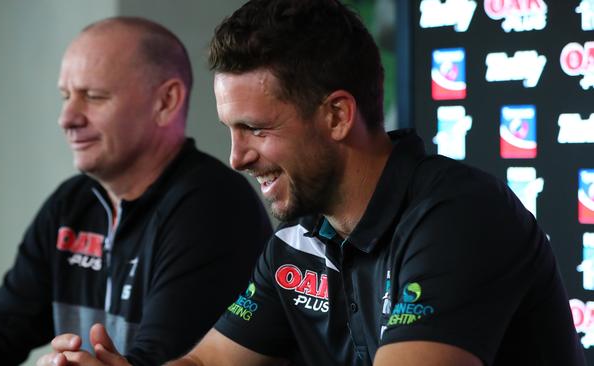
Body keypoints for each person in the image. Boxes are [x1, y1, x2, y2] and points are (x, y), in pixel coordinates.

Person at [41, 1, 587, 365]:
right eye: (231, 129)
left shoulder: (460, 216)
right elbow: (208, 361)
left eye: (255, 128)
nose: (235, 158)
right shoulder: (299, 238)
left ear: (337, 117)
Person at [0, 16, 272, 366]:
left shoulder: (212, 206)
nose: (67, 117)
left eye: (93, 97)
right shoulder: (71, 203)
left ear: (165, 102)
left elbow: (162, 360)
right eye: (66, 96)